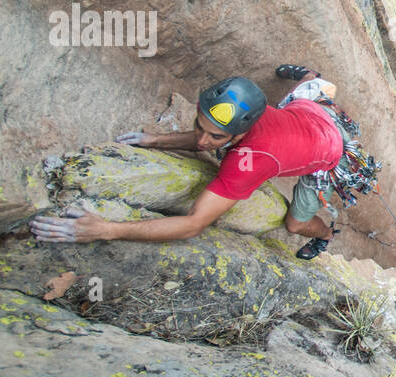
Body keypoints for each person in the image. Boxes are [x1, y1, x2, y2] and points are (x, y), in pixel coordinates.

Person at [29, 66, 343, 259]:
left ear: (242, 131)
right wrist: (155, 141)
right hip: (309, 114)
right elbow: (209, 136)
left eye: (216, 138)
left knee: (294, 223)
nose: (203, 142)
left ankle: (325, 237)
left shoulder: (248, 162)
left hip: (327, 152)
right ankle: (310, 77)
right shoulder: (248, 114)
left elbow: (193, 224)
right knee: (308, 94)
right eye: (199, 126)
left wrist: (106, 229)